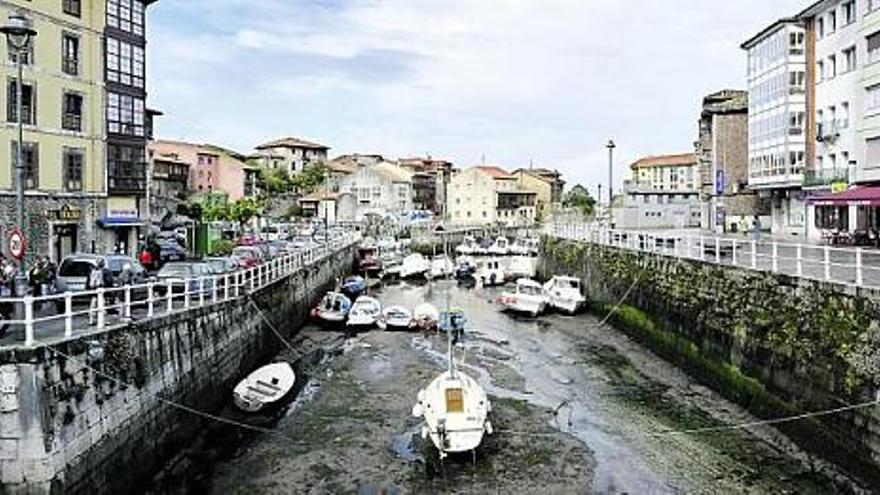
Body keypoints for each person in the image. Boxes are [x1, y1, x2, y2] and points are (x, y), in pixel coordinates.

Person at [88, 260, 105, 326]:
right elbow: (95, 282)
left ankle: (93, 320)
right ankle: (97, 320)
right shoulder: (96, 272)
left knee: (94, 305)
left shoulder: (94, 272)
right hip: (97, 289)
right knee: (98, 304)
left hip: (95, 289)